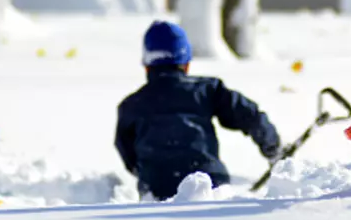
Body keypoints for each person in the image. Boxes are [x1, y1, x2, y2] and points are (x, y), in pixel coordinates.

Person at [115, 20, 281, 200]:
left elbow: (126, 148)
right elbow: (249, 115)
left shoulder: (132, 105)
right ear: (186, 63)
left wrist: (145, 171)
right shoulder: (207, 91)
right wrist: (272, 145)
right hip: (209, 184)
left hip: (156, 189)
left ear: (147, 64)